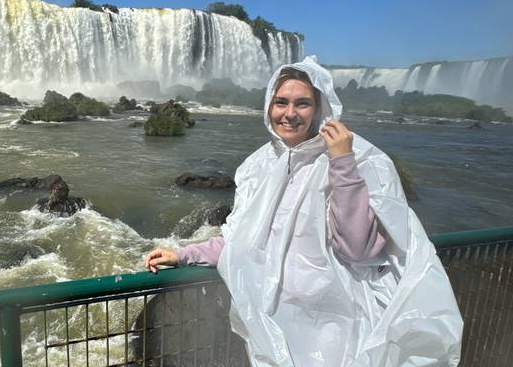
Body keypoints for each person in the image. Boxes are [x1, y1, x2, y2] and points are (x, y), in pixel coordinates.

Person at [145, 56, 463, 366]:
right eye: (281, 102)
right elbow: (242, 238)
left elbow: (357, 249)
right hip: (273, 323)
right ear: (269, 105)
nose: (290, 113)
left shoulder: (354, 160)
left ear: (320, 108)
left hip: (337, 326)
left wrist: (342, 163)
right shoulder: (258, 167)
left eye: (302, 103)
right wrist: (182, 254)